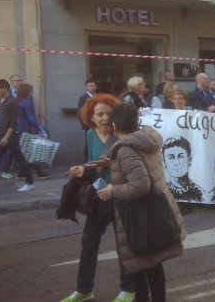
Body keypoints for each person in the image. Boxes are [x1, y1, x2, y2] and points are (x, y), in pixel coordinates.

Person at [97, 103, 185, 302]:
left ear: (114, 126)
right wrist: (110, 163)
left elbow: (140, 185)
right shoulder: (145, 140)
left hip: (138, 216)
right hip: (152, 213)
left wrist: (113, 190)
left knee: (140, 263)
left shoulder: (126, 150)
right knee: (152, 263)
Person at [61, 94, 135, 302]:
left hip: (121, 194)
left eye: (108, 114)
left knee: (124, 245)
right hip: (100, 195)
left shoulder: (123, 134)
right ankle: (84, 289)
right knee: (88, 244)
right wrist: (81, 169)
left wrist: (115, 185)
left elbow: (133, 168)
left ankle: (128, 289)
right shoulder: (90, 136)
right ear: (90, 117)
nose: (104, 118)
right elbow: (91, 165)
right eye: (99, 114)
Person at [0, 79, 34, 194]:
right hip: (2, 133)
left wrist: (6, 137)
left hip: (11, 135)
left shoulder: (13, 102)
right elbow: (1, 118)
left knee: (19, 159)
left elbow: (14, 122)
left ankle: (30, 183)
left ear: (5, 89)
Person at [15, 84, 50, 179]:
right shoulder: (27, 102)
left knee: (24, 152)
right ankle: (39, 172)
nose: (32, 92)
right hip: (28, 129)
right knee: (35, 150)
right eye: (31, 90)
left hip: (19, 129)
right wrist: (39, 130)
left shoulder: (17, 102)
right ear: (27, 91)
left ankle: (21, 172)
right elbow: (31, 118)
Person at [162, 136, 204, 202]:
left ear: (189, 160)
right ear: (164, 162)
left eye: (180, 156)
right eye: (171, 157)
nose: (176, 163)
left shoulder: (199, 193)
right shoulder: (163, 191)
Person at [78, 79, 97, 162]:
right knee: (88, 144)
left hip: (98, 124)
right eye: (90, 86)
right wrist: (85, 124)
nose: (92, 87)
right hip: (88, 125)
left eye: (93, 86)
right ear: (86, 87)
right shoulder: (83, 98)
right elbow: (80, 113)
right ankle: (87, 162)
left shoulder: (98, 97)